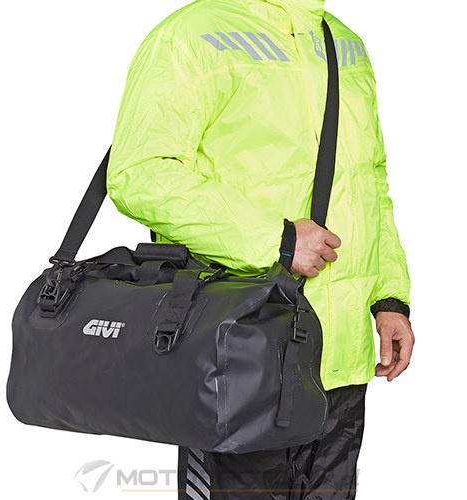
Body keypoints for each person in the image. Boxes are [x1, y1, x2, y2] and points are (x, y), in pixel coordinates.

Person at [106, 0, 415, 498]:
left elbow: (369, 183)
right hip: (237, 356)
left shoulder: (346, 43)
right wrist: (278, 239)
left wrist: (388, 298)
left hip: (337, 363)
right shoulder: (193, 34)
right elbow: (140, 174)